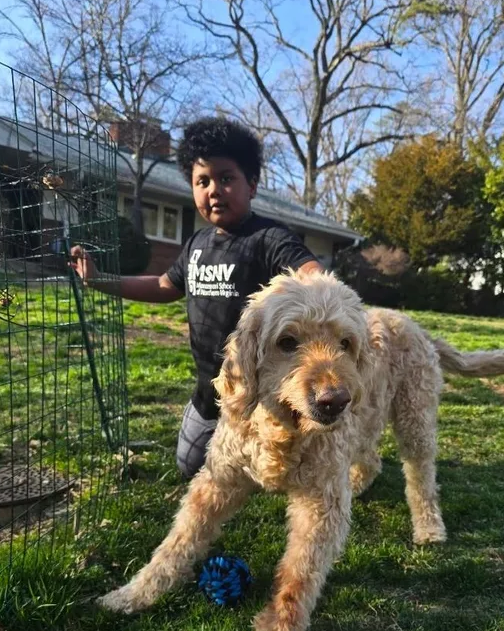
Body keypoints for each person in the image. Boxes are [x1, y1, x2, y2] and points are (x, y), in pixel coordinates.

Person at [70, 117, 323, 479]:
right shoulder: (196, 244)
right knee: (189, 465)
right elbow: (163, 286)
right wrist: (99, 280)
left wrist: (316, 289)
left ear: (252, 185)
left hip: (256, 391)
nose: (214, 190)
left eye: (226, 178)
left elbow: (313, 275)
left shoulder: (270, 239)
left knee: (276, 467)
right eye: (202, 181)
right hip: (209, 391)